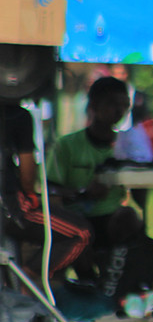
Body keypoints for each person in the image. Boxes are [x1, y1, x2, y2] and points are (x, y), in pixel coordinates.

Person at [45, 76, 137, 282]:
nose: (119, 111)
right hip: (77, 216)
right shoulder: (66, 145)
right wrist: (83, 193)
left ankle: (119, 280)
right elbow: (50, 189)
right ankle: (89, 284)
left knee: (129, 217)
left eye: (125, 105)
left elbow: (141, 196)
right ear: (94, 105)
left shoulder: (127, 146)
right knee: (80, 230)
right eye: (112, 103)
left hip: (112, 218)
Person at [1, 100, 92, 284]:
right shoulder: (17, 115)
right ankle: (27, 281)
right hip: (8, 207)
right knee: (81, 233)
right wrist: (30, 194)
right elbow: (28, 171)